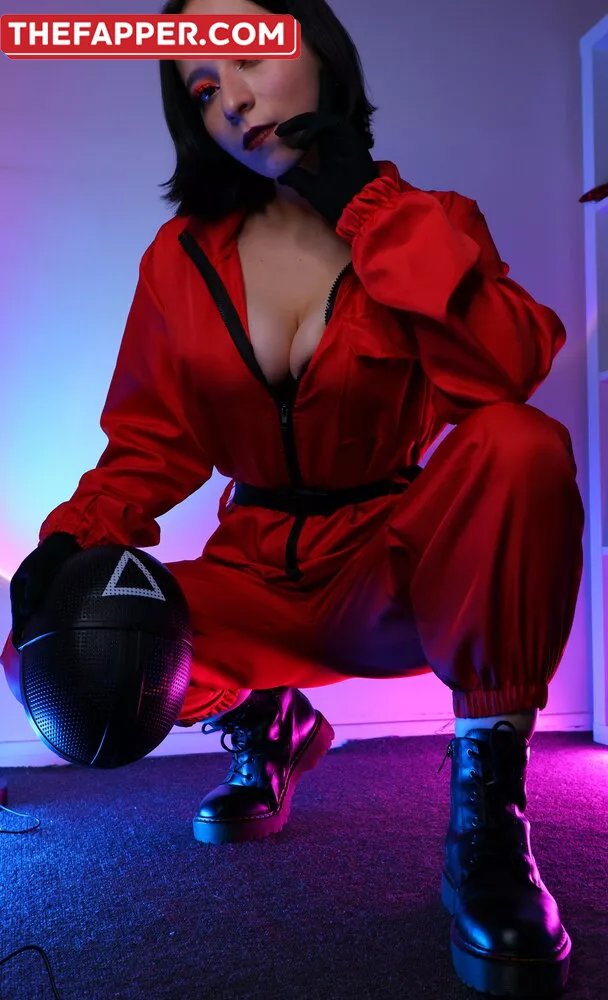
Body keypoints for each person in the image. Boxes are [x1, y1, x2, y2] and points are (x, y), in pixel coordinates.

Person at [1, 0, 585, 994]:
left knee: (518, 445)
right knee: (48, 654)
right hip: (254, 571)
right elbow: (151, 442)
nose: (229, 99)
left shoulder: (432, 220)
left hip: (391, 572)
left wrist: (370, 209)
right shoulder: (180, 258)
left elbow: (507, 367)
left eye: (246, 57)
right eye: (200, 87)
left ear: (321, 51)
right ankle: (271, 729)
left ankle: (490, 819)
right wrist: (67, 547)